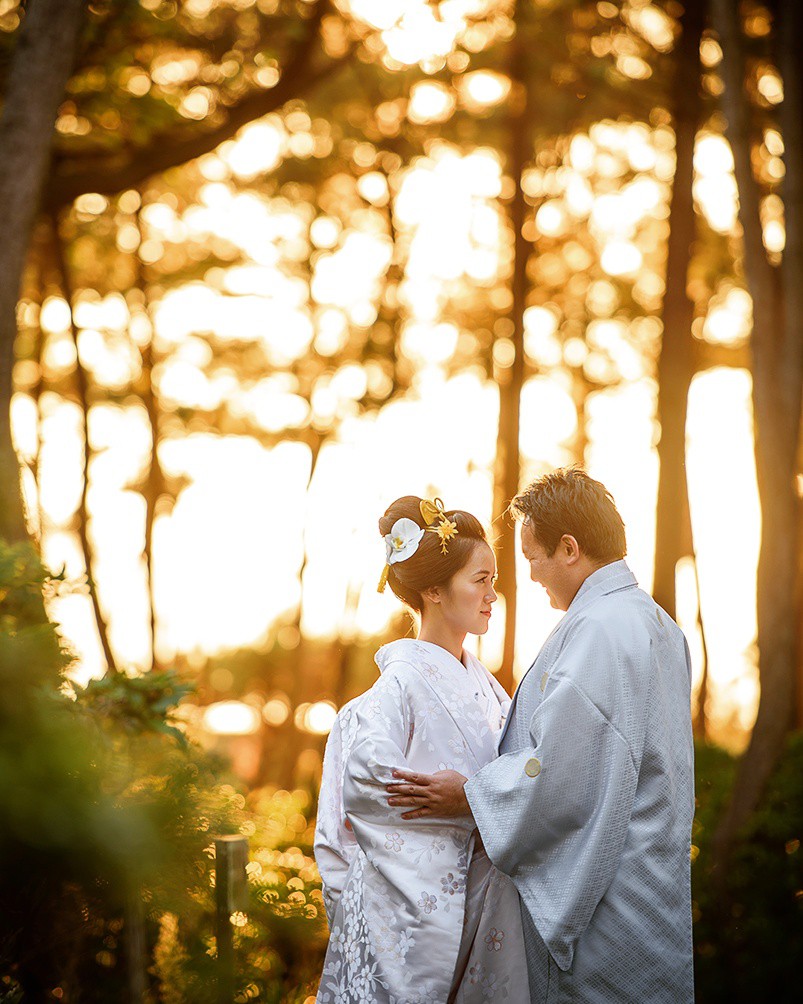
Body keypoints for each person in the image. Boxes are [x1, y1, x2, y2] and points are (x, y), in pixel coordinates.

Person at [387, 468, 695, 1003]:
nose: (528, 576)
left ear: (569, 549)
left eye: (532, 557)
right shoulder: (656, 623)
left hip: (608, 901)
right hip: (649, 883)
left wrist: (470, 796)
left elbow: (561, 772)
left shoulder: (602, 630)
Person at [314, 496, 529, 1003]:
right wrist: (472, 810)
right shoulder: (397, 688)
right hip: (417, 920)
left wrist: (477, 802)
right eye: (481, 580)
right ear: (433, 590)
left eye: (494, 580)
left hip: (487, 907)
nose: (492, 595)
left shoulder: (492, 693)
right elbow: (369, 785)